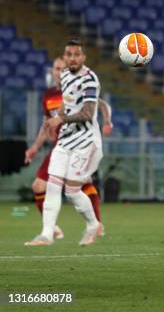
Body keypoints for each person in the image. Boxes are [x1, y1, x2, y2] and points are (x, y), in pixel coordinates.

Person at [25, 40, 105, 246]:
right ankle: (46, 234)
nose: (72, 58)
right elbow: (66, 106)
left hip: (86, 141)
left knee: (72, 190)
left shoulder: (90, 79)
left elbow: (88, 113)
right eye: (68, 54)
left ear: (83, 57)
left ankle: (93, 225)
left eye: (76, 54)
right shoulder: (67, 76)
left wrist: (59, 119)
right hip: (65, 140)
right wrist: (55, 119)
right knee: (51, 185)